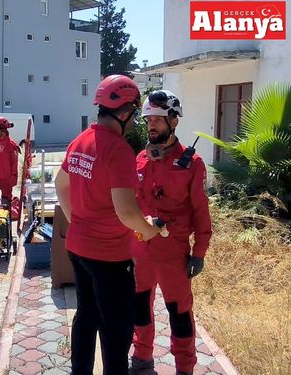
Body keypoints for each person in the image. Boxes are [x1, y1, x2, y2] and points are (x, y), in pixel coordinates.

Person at [54, 74, 163, 375]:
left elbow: (60, 183)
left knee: (86, 316)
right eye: (135, 115)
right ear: (125, 113)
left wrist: (78, 219)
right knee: (116, 329)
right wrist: (149, 228)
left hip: (78, 247)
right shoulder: (118, 150)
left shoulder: (80, 140)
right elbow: (127, 212)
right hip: (109, 257)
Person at [129, 90, 212, 375]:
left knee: (179, 314)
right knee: (139, 308)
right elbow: (130, 204)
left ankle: (185, 367)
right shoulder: (140, 158)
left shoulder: (193, 163)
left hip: (173, 254)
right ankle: (141, 359)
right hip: (140, 250)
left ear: (174, 122)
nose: (151, 125)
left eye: (159, 120)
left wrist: (199, 252)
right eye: (148, 119)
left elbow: (201, 211)